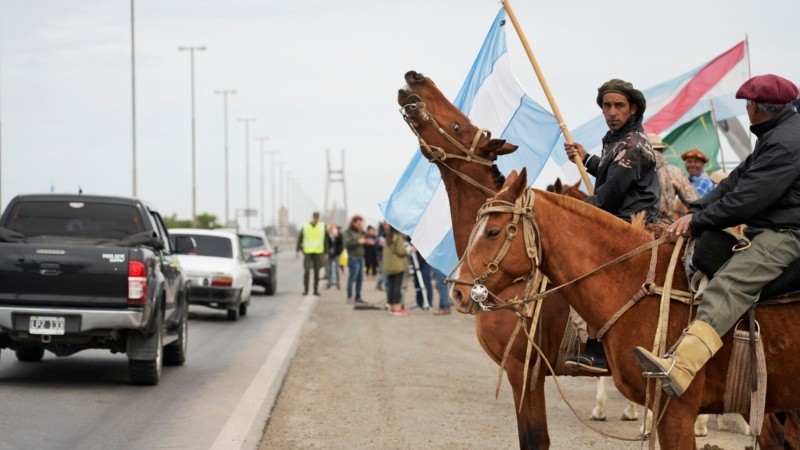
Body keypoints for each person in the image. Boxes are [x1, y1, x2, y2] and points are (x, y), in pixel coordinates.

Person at [634, 74, 800, 398]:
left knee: (729, 284)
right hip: (770, 225)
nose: (746, 110)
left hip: (787, 232)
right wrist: (695, 211)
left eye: (747, 104)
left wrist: (697, 223)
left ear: (755, 107)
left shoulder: (786, 142)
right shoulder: (776, 134)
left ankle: (680, 368)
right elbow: (734, 181)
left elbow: (749, 198)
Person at [563, 78, 661, 374]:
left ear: (632, 109)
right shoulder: (617, 140)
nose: (612, 111)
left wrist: (564, 210)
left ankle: (597, 348)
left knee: (587, 274)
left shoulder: (633, 145)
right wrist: (587, 159)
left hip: (629, 226)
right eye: (607, 105)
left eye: (619, 105)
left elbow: (606, 198)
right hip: (615, 219)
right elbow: (610, 171)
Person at [648, 133, 700, 223]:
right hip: (662, 229)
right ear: (661, 150)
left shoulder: (628, 168)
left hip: (631, 228)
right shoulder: (673, 171)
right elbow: (695, 202)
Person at [296, 211, 328, 296]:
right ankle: (306, 290)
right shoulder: (306, 226)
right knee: (307, 271)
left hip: (318, 252)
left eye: (317, 218)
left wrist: (326, 252)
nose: (316, 219)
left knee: (317, 272)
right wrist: (297, 249)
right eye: (315, 217)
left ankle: (315, 290)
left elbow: (325, 240)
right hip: (308, 252)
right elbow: (300, 238)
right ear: (312, 217)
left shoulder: (322, 226)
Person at [383, 224, 409, 316]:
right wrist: (409, 250)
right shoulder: (398, 238)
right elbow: (401, 251)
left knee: (390, 287)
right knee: (397, 288)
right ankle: (397, 307)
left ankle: (391, 307)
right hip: (398, 266)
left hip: (389, 267)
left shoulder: (388, 238)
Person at [343, 215, 368, 304]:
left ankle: (358, 297)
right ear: (353, 223)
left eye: (361, 223)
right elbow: (347, 243)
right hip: (353, 258)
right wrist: (358, 242)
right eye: (358, 223)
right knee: (352, 278)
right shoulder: (347, 232)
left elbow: (367, 239)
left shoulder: (361, 232)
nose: (360, 225)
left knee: (360, 278)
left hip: (360, 258)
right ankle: (349, 297)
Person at [325, 224, 343, 290]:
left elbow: (341, 244)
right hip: (329, 254)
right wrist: (326, 253)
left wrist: (337, 236)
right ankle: (329, 283)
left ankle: (338, 284)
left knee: (337, 269)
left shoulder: (339, 235)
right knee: (329, 269)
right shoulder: (327, 236)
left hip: (336, 254)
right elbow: (326, 244)